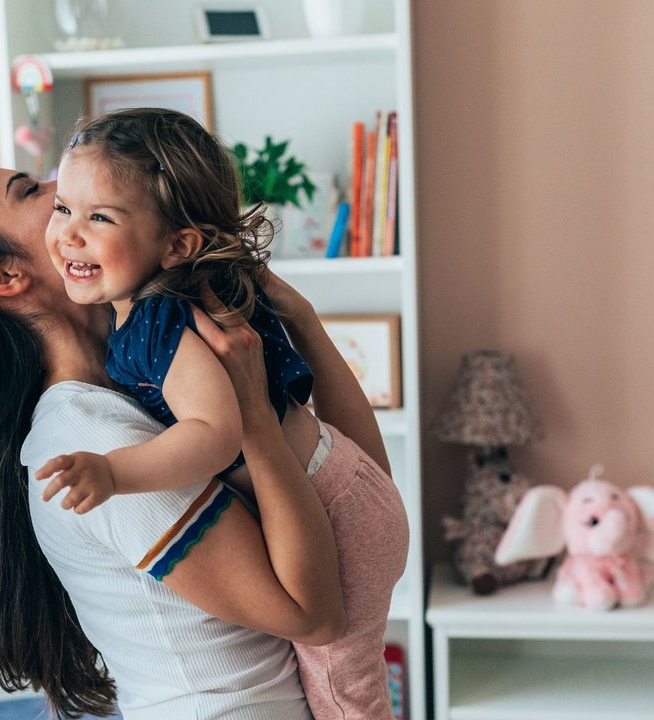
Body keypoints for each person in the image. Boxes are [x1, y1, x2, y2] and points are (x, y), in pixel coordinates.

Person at [0, 161, 395, 719]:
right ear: (4, 277)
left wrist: (304, 324)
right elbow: (313, 615)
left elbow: (358, 478)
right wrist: (256, 418)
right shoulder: (93, 441)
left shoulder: (147, 381)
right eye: (32, 191)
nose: (65, 188)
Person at [32, 108, 408, 718]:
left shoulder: (159, 324)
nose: (70, 233)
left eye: (99, 217)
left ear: (178, 245)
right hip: (346, 482)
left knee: (346, 696)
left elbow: (215, 432)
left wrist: (115, 473)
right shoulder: (176, 304)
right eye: (62, 207)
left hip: (334, 510)